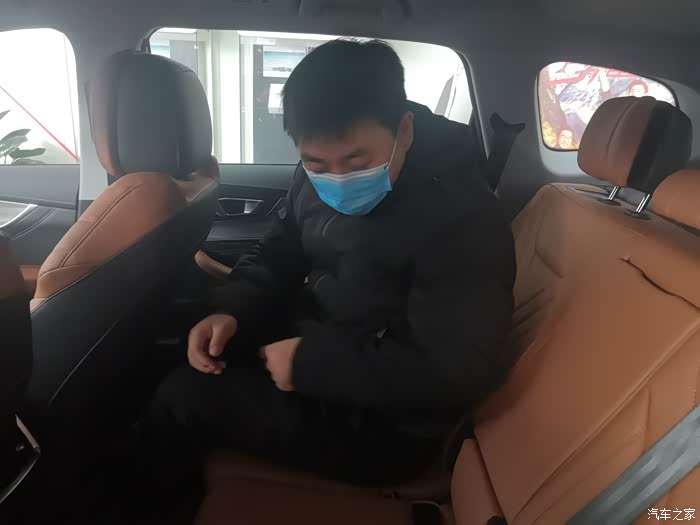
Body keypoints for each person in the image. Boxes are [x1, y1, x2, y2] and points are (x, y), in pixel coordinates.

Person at [123, 39, 516, 522]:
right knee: (168, 346)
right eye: (316, 164)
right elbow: (279, 254)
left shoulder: (463, 218)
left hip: (387, 425)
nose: (338, 179)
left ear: (405, 129)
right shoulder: (312, 178)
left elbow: (459, 367)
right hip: (324, 352)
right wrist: (230, 312)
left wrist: (310, 365)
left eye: (357, 162)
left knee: (183, 401)